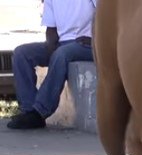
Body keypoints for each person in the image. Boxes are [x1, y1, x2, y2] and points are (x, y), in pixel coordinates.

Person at [7, 0, 97, 130]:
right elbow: (51, 28)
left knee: (62, 54)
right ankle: (28, 111)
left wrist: (95, 39)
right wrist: (50, 46)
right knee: (21, 53)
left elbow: (107, 16)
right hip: (63, 44)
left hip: (90, 45)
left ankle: (40, 112)